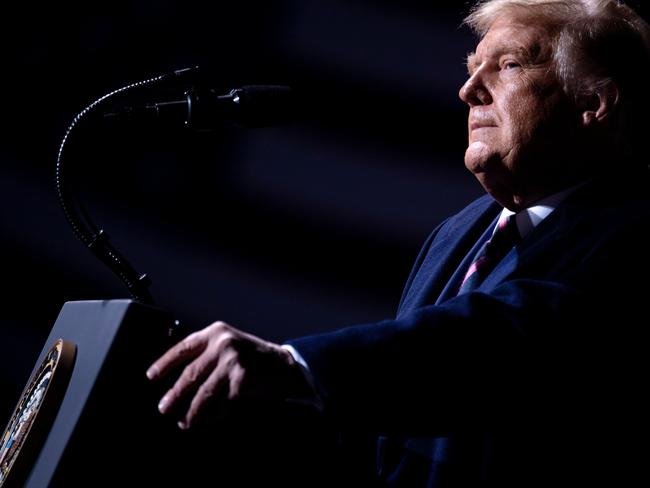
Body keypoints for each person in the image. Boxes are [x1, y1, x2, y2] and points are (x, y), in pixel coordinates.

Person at [146, 0, 650, 485]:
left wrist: (297, 365)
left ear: (592, 103)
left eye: (510, 65)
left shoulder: (638, 229)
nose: (469, 89)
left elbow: (500, 337)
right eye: (473, 67)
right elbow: (400, 418)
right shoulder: (459, 232)